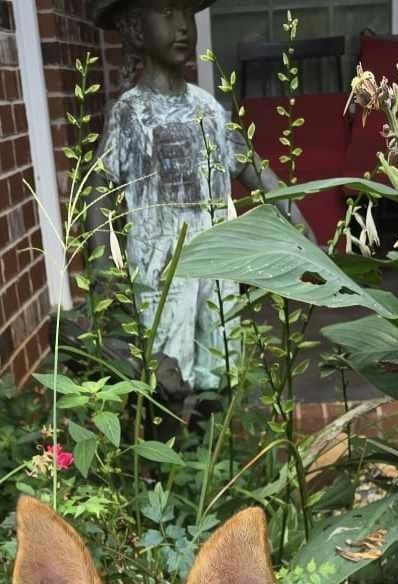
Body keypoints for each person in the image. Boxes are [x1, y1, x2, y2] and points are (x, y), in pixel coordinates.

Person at [87, 0, 310, 401]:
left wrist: (295, 219)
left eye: (187, 14)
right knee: (165, 382)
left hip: (217, 271)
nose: (182, 27)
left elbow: (251, 166)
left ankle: (211, 449)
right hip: (160, 277)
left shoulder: (207, 107)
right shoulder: (129, 113)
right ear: (137, 29)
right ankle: (170, 454)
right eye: (167, 13)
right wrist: (103, 262)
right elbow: (98, 188)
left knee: (218, 371)